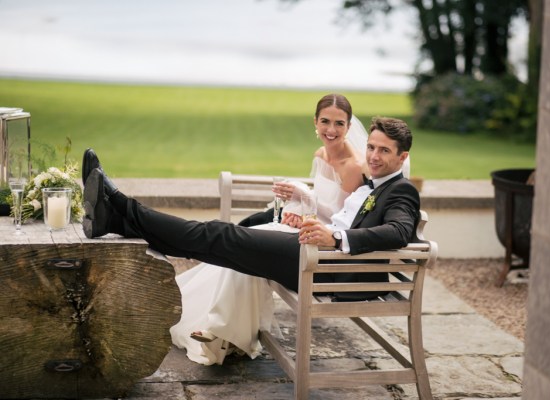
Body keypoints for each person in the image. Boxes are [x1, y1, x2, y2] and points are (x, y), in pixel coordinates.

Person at [81, 115, 419, 356]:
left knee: (219, 236)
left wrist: (335, 239)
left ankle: (121, 206)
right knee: (220, 245)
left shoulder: (401, 190)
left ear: (401, 157)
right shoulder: (373, 184)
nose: (373, 156)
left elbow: (401, 231)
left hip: (329, 271)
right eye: (372, 147)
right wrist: (312, 226)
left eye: (384, 151)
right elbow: (345, 223)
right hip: (316, 256)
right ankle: (117, 220)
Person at [168, 93, 368, 364]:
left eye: (339, 124)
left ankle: (222, 329)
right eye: (325, 121)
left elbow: (339, 220)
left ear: (348, 126)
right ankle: (221, 329)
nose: (331, 130)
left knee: (247, 246)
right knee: (246, 245)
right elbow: (315, 204)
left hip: (320, 244)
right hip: (306, 229)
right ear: (315, 122)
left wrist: (304, 201)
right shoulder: (320, 154)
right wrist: (297, 208)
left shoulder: (354, 167)